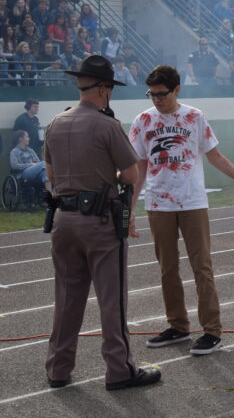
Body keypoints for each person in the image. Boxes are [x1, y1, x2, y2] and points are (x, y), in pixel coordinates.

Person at [128, 65, 234, 355]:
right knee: (167, 269)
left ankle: (211, 330)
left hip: (192, 201)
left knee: (202, 268)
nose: (156, 99)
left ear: (177, 89)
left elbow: (215, 156)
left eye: (162, 94)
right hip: (158, 203)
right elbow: (140, 168)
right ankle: (178, 326)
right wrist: (130, 208)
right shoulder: (142, 120)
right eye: (152, 94)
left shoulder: (194, 117)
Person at [44, 55, 161, 390]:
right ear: (104, 89)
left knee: (67, 297)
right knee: (112, 300)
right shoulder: (107, 125)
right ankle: (120, 370)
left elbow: (50, 174)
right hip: (99, 221)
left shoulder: (55, 123)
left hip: (63, 220)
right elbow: (131, 174)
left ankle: (58, 369)